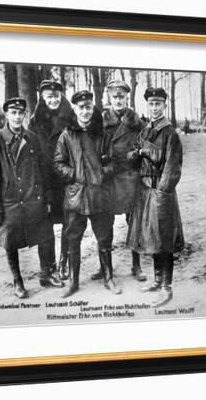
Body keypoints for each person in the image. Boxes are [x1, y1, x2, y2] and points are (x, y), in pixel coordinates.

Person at [0, 97, 64, 299]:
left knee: (46, 236)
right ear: (6, 115)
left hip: (33, 199)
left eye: (21, 113)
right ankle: (17, 280)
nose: (17, 117)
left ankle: (48, 273)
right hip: (9, 202)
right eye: (13, 113)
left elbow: (44, 171)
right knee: (10, 242)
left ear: (25, 115)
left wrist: (47, 198)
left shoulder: (33, 139)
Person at [54, 90, 121, 298]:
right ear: (74, 109)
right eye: (81, 107)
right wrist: (74, 174)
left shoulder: (103, 134)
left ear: (93, 108)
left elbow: (113, 161)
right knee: (73, 239)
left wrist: (102, 172)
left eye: (88, 107)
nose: (85, 111)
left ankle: (108, 277)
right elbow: (57, 163)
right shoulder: (66, 135)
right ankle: (73, 282)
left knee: (104, 238)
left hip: (100, 195)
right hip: (76, 197)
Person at [126, 87, 185, 307]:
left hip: (161, 193)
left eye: (158, 104)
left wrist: (162, 192)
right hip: (144, 192)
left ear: (164, 106)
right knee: (152, 238)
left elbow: (172, 168)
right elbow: (130, 157)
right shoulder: (144, 131)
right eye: (150, 104)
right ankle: (157, 280)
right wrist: (140, 152)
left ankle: (166, 288)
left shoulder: (170, 133)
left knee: (164, 241)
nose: (154, 108)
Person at [90, 79, 147, 282]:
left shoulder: (137, 122)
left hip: (131, 179)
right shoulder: (99, 120)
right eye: (115, 96)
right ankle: (105, 267)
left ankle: (136, 265)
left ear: (127, 98)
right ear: (109, 98)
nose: (118, 100)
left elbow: (145, 149)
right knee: (104, 225)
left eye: (122, 96)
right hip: (107, 180)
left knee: (135, 224)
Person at [29, 80, 73, 281]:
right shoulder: (34, 120)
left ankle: (65, 262)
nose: (53, 100)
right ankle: (47, 268)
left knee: (69, 223)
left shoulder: (71, 116)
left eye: (56, 96)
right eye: (49, 97)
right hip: (44, 180)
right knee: (44, 226)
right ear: (42, 98)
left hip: (66, 179)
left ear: (61, 96)